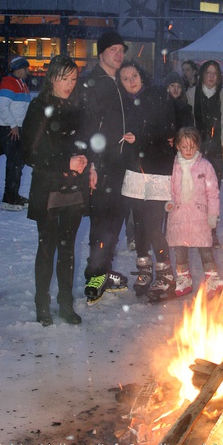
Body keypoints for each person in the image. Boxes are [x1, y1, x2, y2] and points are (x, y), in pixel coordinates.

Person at [22, 56, 91, 326]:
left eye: (73, 79)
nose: (69, 85)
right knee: (47, 247)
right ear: (52, 77)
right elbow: (29, 152)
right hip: (48, 187)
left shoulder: (76, 107)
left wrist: (85, 160)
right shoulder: (39, 107)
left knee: (68, 249)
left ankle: (65, 303)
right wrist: (65, 162)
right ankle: (42, 304)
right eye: (64, 78)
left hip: (73, 187)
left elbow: (83, 142)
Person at [119, 61, 177, 302]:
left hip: (158, 169)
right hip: (134, 171)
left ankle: (166, 273)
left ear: (141, 75)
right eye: (126, 78)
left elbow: (169, 129)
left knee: (154, 224)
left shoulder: (157, 95)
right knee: (139, 223)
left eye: (134, 75)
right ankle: (144, 268)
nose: (132, 81)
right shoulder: (121, 104)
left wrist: (140, 138)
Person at [79, 31, 129, 303]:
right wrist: (93, 165)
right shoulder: (94, 84)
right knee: (102, 222)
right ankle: (95, 275)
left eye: (121, 49)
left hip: (122, 165)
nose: (119, 54)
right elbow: (88, 129)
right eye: (113, 49)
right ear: (101, 54)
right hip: (104, 165)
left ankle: (104, 269)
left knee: (116, 219)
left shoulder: (121, 81)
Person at [187, 60, 223, 247]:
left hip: (217, 151)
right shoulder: (192, 94)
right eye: (208, 73)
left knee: (213, 192)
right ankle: (195, 229)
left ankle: (211, 230)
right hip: (196, 152)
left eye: (214, 73)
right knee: (194, 192)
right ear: (202, 75)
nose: (211, 77)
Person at [166, 127, 223, 299]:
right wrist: (169, 203)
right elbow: (169, 189)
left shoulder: (205, 166)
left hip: (199, 216)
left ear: (197, 146)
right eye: (185, 147)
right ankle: (184, 278)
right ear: (178, 146)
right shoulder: (173, 167)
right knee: (180, 250)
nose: (189, 151)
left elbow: (212, 193)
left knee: (205, 249)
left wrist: (212, 214)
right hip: (179, 216)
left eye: (192, 147)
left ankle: (212, 279)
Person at [0, 56, 31, 211]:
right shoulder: (9, 83)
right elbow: (3, 108)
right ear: (17, 69)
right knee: (14, 164)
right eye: (25, 68)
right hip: (10, 129)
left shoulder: (22, 84)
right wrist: (13, 125)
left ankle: (13, 195)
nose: (27, 71)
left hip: (19, 128)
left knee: (18, 163)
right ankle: (9, 198)